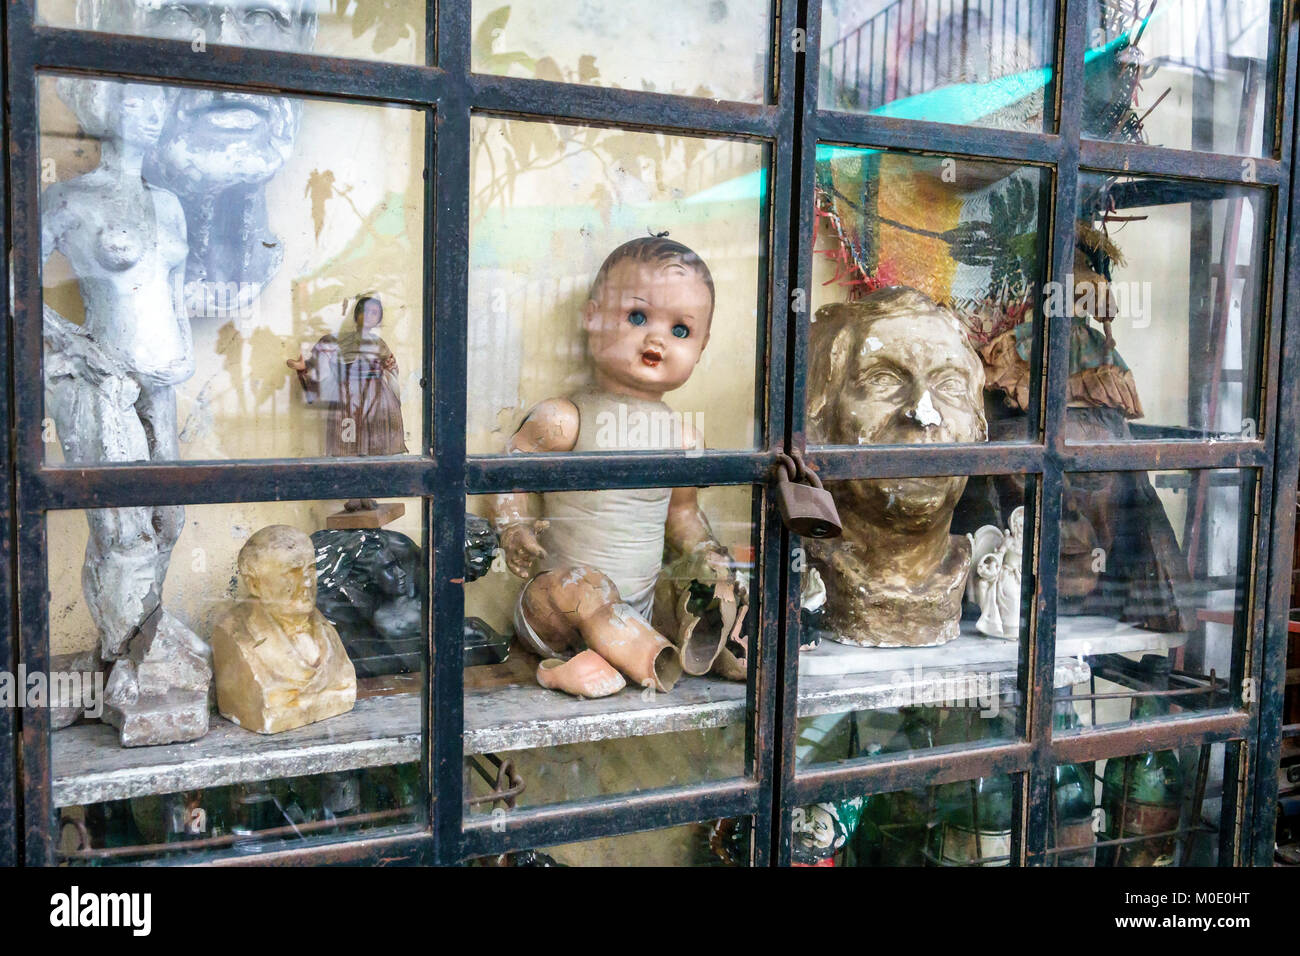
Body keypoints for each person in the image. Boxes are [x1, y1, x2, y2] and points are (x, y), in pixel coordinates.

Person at [487, 236, 742, 698]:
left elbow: (681, 516)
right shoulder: (567, 420)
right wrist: (514, 530)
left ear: (702, 347)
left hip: (639, 610)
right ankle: (573, 666)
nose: (656, 338)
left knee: (715, 591)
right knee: (588, 588)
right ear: (592, 316)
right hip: (557, 607)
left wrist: (709, 555)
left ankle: (707, 644)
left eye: (681, 331)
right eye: (637, 317)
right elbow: (511, 474)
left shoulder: (683, 439)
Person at [42, 79, 192, 663]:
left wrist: (185, 358)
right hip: (106, 377)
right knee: (121, 532)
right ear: (104, 112)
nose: (152, 116)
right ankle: (126, 661)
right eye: (137, 104)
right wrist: (76, 350)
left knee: (168, 520)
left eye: (160, 104)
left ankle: (141, 647)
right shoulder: (70, 198)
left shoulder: (169, 201)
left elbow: (172, 291)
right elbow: (16, 288)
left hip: (165, 379)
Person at [288, 294, 408, 509]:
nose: (369, 316)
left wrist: (388, 382)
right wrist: (305, 368)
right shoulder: (336, 341)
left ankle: (367, 493)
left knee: (372, 448)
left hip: (376, 401)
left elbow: (392, 369)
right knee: (349, 446)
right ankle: (353, 494)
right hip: (348, 398)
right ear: (356, 315)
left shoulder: (380, 344)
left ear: (379, 318)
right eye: (365, 311)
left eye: (374, 313)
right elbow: (321, 366)